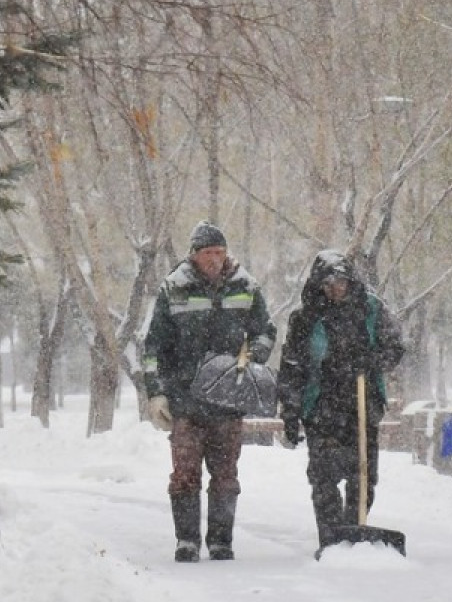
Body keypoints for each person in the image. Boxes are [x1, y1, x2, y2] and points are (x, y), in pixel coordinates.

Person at [141, 220, 277, 562]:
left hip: (229, 399)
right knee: (185, 472)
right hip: (185, 399)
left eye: (219, 252)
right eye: (207, 253)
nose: (215, 259)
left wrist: (254, 357)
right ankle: (187, 540)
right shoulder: (174, 288)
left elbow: (265, 330)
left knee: (226, 473)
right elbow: (154, 346)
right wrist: (157, 393)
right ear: (194, 255)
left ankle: (220, 541)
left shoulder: (245, 286)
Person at [277, 250, 406, 550]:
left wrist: (371, 360)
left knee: (362, 472)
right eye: (329, 283)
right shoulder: (305, 319)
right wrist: (291, 411)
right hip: (321, 405)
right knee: (323, 475)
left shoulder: (371, 309)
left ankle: (354, 528)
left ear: (351, 281)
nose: (336, 289)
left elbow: (395, 347)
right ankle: (332, 533)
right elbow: (292, 366)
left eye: (341, 282)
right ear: (318, 285)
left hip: (362, 404)